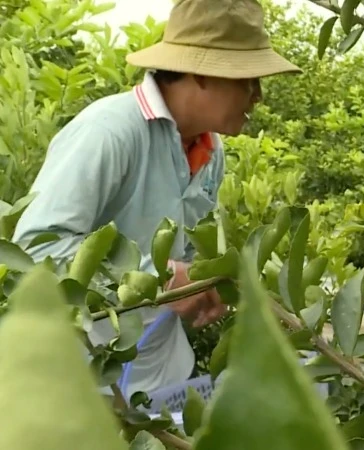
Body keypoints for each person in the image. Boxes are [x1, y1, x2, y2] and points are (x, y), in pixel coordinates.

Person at [11, 0, 301, 397]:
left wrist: (209, 284)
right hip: (80, 384)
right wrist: (161, 279)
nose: (258, 96)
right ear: (202, 72)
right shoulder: (110, 132)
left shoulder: (211, 151)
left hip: (162, 379)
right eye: (248, 80)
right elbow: (31, 252)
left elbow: (185, 254)